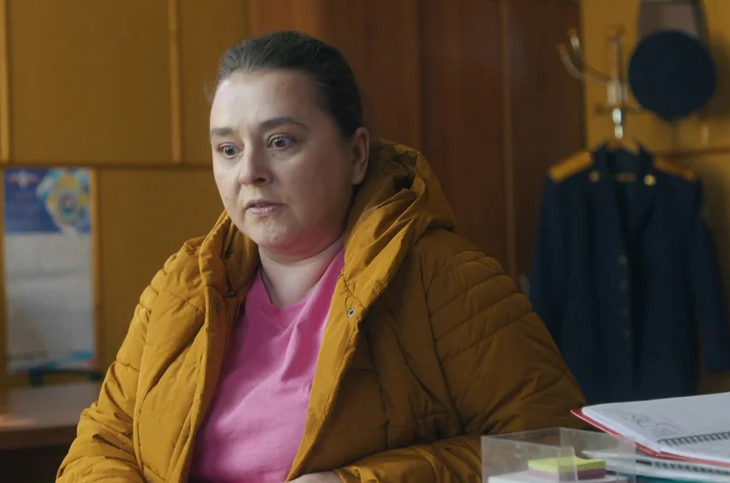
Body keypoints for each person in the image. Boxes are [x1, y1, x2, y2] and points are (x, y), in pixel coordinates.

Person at [56, 30, 585, 483]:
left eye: (281, 142)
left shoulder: (444, 278)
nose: (250, 172)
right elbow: (100, 442)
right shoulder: (182, 285)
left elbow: (566, 453)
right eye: (228, 149)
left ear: (356, 154)